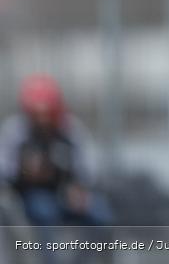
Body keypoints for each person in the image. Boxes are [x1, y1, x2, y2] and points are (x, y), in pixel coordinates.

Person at [0, 74, 111, 227]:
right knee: (44, 210)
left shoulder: (71, 129)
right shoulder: (15, 132)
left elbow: (87, 168)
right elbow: (5, 170)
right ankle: (48, 251)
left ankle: (93, 250)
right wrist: (26, 173)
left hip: (67, 192)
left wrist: (80, 189)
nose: (43, 119)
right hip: (32, 195)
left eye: (47, 113)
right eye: (37, 114)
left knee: (99, 214)